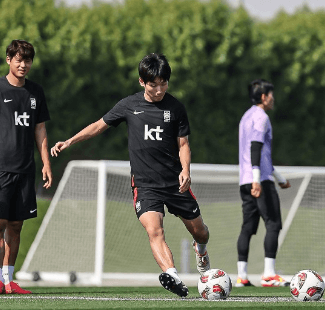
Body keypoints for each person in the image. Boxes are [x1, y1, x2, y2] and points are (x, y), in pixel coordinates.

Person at [51, 53, 210, 297]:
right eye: (153, 84)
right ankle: (173, 276)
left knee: (201, 232)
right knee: (154, 230)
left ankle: (201, 250)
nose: (159, 90)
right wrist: (70, 141)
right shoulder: (129, 105)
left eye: (163, 83)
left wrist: (186, 170)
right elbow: (98, 125)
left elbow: (184, 144)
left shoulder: (175, 108)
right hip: (145, 185)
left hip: (174, 183)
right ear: (141, 82)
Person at [0, 40, 52, 294]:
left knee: (16, 225)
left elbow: (40, 129)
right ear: (8, 59)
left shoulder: (35, 92)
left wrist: (46, 163)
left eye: (28, 60)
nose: (23, 64)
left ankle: (8, 281)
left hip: (25, 169)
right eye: (18, 59)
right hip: (1, 169)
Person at [236, 79, 291, 288]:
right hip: (258, 180)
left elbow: (260, 155)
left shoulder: (245, 117)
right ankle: (269, 274)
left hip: (244, 179)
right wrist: (258, 180)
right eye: (271, 95)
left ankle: (242, 276)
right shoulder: (261, 117)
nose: (273, 99)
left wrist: (280, 179)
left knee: (247, 228)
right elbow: (256, 149)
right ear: (263, 97)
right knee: (274, 224)